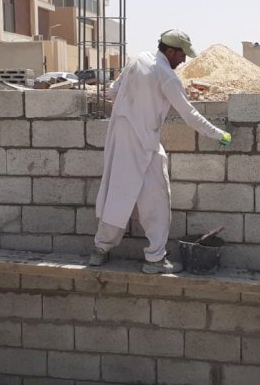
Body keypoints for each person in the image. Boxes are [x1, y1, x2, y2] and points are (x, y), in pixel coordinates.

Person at [89, 29, 232, 274]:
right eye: (182, 55)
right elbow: (190, 114)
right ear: (171, 51)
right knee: (157, 202)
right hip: (145, 145)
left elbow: (113, 90)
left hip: (120, 141)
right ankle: (155, 259)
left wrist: (133, 107)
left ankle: (100, 250)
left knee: (117, 194)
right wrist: (219, 135)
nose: (183, 60)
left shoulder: (137, 60)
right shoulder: (167, 76)